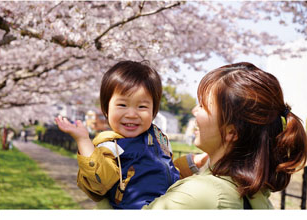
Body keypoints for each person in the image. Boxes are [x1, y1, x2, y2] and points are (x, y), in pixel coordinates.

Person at [141, 62, 307, 209]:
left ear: (232, 132)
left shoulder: (199, 195)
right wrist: (192, 165)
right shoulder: (254, 193)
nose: (194, 111)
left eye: (203, 106)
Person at [55, 60, 203, 209]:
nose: (131, 114)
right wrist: (83, 141)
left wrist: (191, 163)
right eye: (122, 105)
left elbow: (169, 168)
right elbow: (100, 180)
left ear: (154, 111)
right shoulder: (110, 145)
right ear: (106, 109)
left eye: (142, 106)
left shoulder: (158, 137)